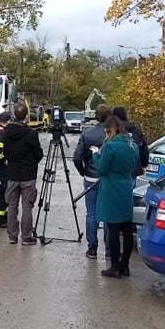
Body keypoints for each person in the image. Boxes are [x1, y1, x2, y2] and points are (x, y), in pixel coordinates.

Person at [93, 116, 141, 278]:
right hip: (126, 187)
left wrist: (96, 154)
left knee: (113, 228)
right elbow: (136, 166)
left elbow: (101, 170)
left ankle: (114, 266)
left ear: (110, 130)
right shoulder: (133, 145)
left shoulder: (110, 146)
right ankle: (125, 265)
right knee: (126, 228)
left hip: (111, 188)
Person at [0, 104, 44, 245]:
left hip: (12, 173)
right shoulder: (31, 134)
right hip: (27, 175)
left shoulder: (6, 132)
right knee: (27, 206)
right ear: (26, 116)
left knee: (12, 206)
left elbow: (5, 152)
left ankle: (12, 236)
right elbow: (38, 154)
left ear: (14, 116)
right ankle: (26, 237)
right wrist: (30, 163)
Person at [73, 104, 111, 259]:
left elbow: (77, 157)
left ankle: (92, 248)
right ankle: (109, 249)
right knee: (109, 214)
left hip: (90, 177)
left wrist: (84, 172)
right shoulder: (113, 134)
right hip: (107, 179)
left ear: (96, 116)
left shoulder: (88, 134)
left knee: (91, 213)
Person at [112, 106, 149, 175]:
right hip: (134, 169)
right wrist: (143, 165)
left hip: (117, 171)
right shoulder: (136, 130)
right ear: (125, 115)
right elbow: (143, 149)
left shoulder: (113, 130)